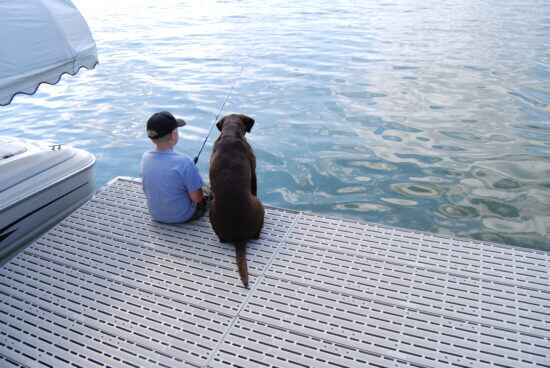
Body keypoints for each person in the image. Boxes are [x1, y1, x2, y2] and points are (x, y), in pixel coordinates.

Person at [140, 111, 207, 223]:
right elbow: (197, 198)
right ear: (174, 135)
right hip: (182, 216)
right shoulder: (185, 162)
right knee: (207, 195)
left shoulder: (145, 158)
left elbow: (146, 188)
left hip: (156, 214)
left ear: (151, 138)